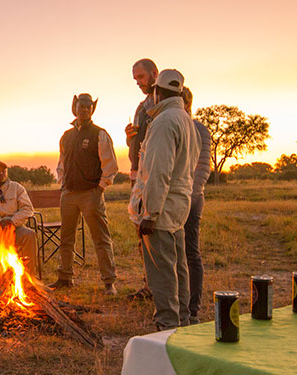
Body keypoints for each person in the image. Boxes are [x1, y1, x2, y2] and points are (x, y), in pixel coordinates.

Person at [128, 69, 200, 330]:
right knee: (178, 266)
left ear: (157, 91)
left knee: (162, 270)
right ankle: (184, 318)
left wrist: (150, 213)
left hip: (162, 207)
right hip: (179, 204)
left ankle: (167, 323)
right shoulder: (184, 118)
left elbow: (159, 171)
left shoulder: (163, 122)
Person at [49, 93, 119, 295]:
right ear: (75, 108)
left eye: (89, 107)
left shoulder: (99, 134)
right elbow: (61, 162)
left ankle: (108, 282)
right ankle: (65, 277)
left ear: (92, 110)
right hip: (69, 194)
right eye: (81, 107)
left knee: (101, 238)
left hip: (91, 193)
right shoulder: (66, 136)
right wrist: (62, 183)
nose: (85, 110)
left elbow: (110, 165)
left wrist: (100, 188)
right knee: (66, 237)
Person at [125, 58, 159, 301]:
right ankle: (149, 284)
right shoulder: (140, 107)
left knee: (157, 230)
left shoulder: (164, 103)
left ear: (154, 73)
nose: (137, 82)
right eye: (135, 78)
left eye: (141, 77)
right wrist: (129, 138)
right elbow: (137, 142)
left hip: (153, 174)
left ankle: (160, 287)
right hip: (137, 174)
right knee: (141, 232)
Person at [182, 87, 212, 325]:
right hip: (176, 198)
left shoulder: (199, 129)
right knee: (175, 253)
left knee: (191, 251)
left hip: (191, 197)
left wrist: (190, 195)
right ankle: (180, 304)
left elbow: (203, 167)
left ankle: (193, 308)